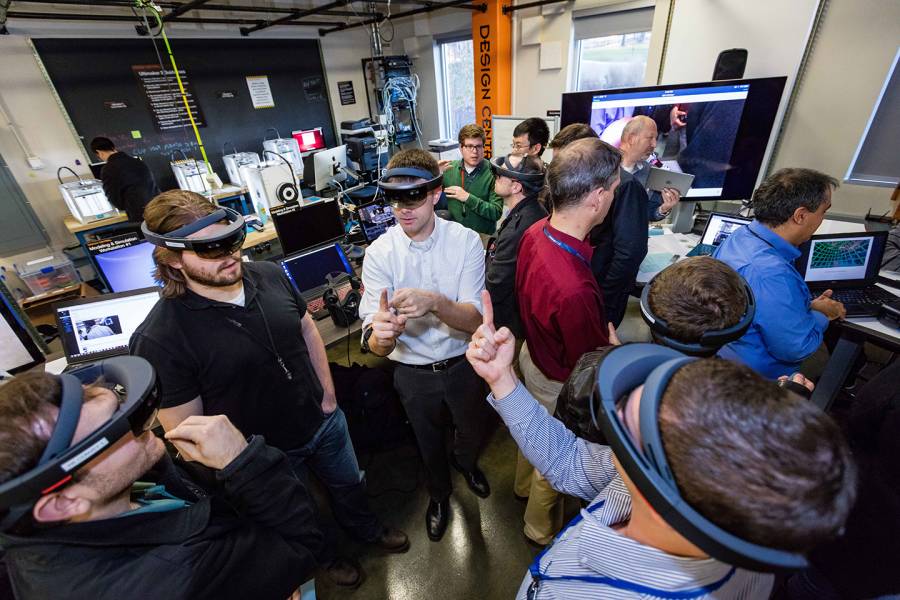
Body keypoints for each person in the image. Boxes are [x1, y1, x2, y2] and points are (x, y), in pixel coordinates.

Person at [466, 292, 857, 599]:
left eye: (630, 429)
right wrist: (503, 379)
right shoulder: (699, 501)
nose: (615, 417)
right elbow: (566, 460)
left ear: (661, 484)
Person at [131, 190, 407, 589]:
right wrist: (247, 466)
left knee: (349, 485)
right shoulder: (160, 338)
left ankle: (366, 528)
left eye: (230, 241)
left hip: (323, 422)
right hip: (265, 455)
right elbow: (188, 431)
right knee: (301, 512)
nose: (228, 255)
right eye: (208, 250)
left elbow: (306, 328)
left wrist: (328, 395)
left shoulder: (270, 275)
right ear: (172, 259)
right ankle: (325, 558)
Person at [0, 365, 323, 600]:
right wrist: (243, 461)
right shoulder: (174, 579)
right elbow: (302, 547)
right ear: (63, 503)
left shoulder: (115, 485)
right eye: (113, 432)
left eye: (123, 410)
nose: (144, 426)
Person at [358, 149, 492, 542]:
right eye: (394, 198)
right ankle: (439, 494)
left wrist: (435, 302)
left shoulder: (466, 242)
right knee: (426, 439)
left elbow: (475, 319)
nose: (402, 208)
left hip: (464, 363)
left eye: (414, 196)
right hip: (413, 374)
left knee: (470, 427)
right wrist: (380, 337)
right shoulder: (380, 254)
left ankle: (467, 465)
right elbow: (374, 341)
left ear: (436, 194)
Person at [513, 137, 619, 545]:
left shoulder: (539, 230)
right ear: (595, 197)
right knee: (553, 462)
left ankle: (520, 488)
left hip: (533, 356)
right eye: (613, 189)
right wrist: (612, 352)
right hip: (559, 378)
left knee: (531, 434)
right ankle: (538, 529)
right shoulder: (574, 289)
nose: (613, 196)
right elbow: (586, 366)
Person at [714, 168, 847, 378]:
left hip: (723, 354)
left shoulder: (741, 236)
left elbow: (758, 304)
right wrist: (823, 314)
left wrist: (808, 306)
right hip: (754, 379)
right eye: (823, 211)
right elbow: (796, 349)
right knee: (831, 362)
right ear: (801, 215)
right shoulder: (772, 273)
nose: (822, 219)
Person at [591, 116, 681, 327]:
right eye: (650, 138)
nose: (653, 145)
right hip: (601, 262)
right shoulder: (601, 166)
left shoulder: (651, 174)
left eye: (655, 139)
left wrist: (663, 208)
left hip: (623, 263)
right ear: (630, 137)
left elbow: (645, 212)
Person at [485, 154, 547, 338]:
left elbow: (497, 283)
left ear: (516, 186)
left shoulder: (518, 228)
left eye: (499, 176)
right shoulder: (533, 210)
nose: (495, 178)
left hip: (508, 324)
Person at [439, 124, 504, 237]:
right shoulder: (448, 169)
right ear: (461, 148)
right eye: (469, 146)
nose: (474, 151)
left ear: (484, 147)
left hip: (482, 237)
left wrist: (468, 198)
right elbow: (429, 198)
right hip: (454, 236)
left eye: (478, 146)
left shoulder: (494, 173)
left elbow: (496, 212)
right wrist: (434, 174)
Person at [90, 137, 159, 223]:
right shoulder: (137, 161)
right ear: (113, 147)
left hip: (139, 214)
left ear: (99, 152)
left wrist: (123, 206)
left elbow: (114, 198)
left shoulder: (108, 169)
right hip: (158, 207)